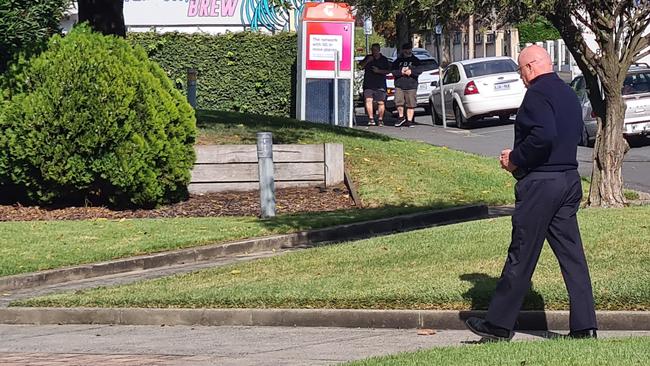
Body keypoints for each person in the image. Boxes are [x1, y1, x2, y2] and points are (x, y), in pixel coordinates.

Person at [465, 45, 598, 341]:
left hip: (541, 183)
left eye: (520, 71)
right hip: (568, 179)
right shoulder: (567, 93)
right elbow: (573, 132)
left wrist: (516, 158)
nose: (521, 77)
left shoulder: (536, 94)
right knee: (572, 256)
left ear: (530, 68)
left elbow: (543, 135)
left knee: (521, 254)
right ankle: (585, 327)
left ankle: (498, 325)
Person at [358, 43, 391, 126]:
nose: (374, 52)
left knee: (381, 102)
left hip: (380, 84)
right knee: (368, 100)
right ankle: (371, 119)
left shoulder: (384, 60)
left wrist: (378, 71)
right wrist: (367, 61)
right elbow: (360, 67)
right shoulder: (368, 58)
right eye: (372, 50)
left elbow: (388, 71)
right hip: (368, 84)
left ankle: (380, 119)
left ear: (379, 50)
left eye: (376, 50)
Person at [391, 42, 421, 128]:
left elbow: (420, 70)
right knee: (398, 102)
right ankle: (401, 117)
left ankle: (409, 121)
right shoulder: (398, 61)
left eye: (409, 49)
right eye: (405, 49)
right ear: (403, 50)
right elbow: (393, 71)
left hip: (411, 86)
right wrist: (400, 72)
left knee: (410, 104)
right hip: (399, 85)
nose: (407, 51)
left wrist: (411, 72)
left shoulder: (416, 60)